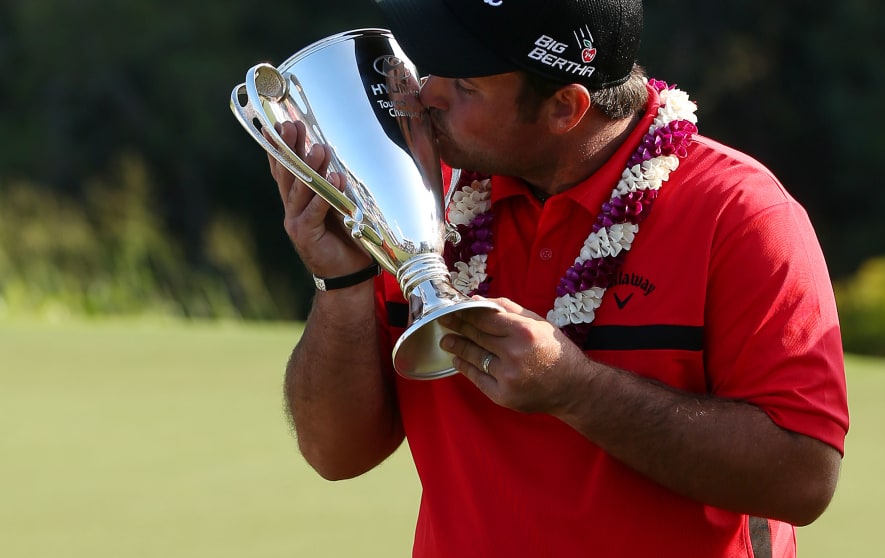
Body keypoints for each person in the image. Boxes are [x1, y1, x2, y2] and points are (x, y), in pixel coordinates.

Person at [266, 0, 849, 556]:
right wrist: (341, 283)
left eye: (465, 84)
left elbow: (803, 477)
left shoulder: (741, 215)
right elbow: (335, 453)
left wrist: (577, 391)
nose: (427, 93)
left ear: (565, 108)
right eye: (433, 65)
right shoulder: (413, 199)